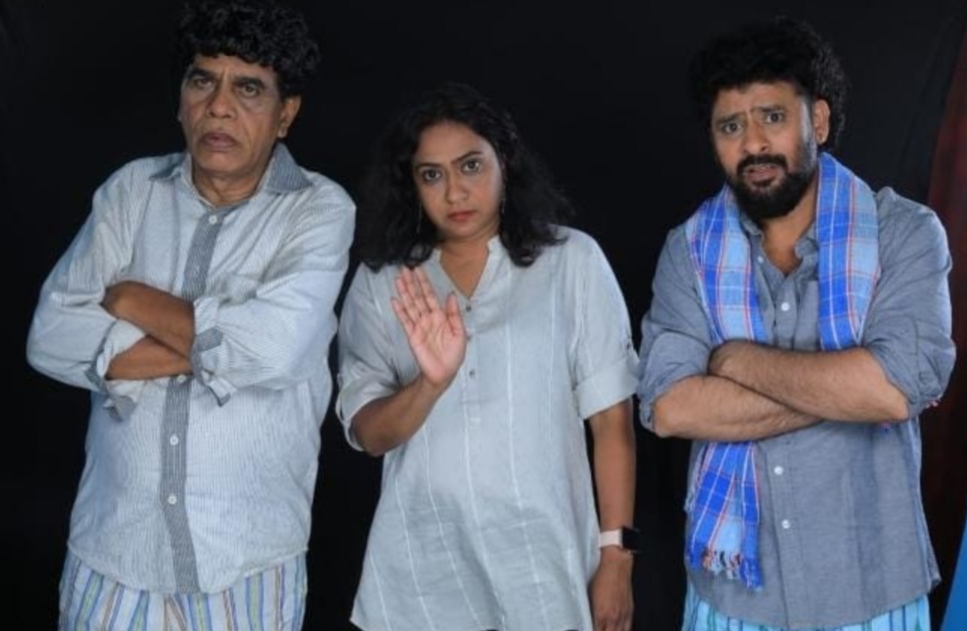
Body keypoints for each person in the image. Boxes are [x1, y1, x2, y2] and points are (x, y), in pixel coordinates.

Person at [25, 0, 355, 628]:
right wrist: (227, 345)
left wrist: (130, 300)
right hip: (114, 552)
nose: (219, 107)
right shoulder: (131, 191)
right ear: (181, 100)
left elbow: (275, 353)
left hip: (247, 562)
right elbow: (50, 337)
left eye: (249, 88)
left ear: (286, 114)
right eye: (203, 81)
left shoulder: (318, 210)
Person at [636, 15, 956, 631]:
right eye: (731, 126)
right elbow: (671, 407)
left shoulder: (903, 234)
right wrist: (848, 389)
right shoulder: (690, 251)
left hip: (868, 595)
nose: (753, 143)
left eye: (773, 116)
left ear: (820, 121)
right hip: (733, 599)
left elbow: (895, 389)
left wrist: (734, 361)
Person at [335, 82, 639, 631]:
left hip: (546, 569)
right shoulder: (384, 282)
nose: (455, 192)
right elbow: (369, 435)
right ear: (411, 184)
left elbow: (612, 424)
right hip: (422, 577)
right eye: (431, 175)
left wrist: (617, 560)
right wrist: (429, 384)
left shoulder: (571, 262)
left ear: (506, 162)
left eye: (471, 165)